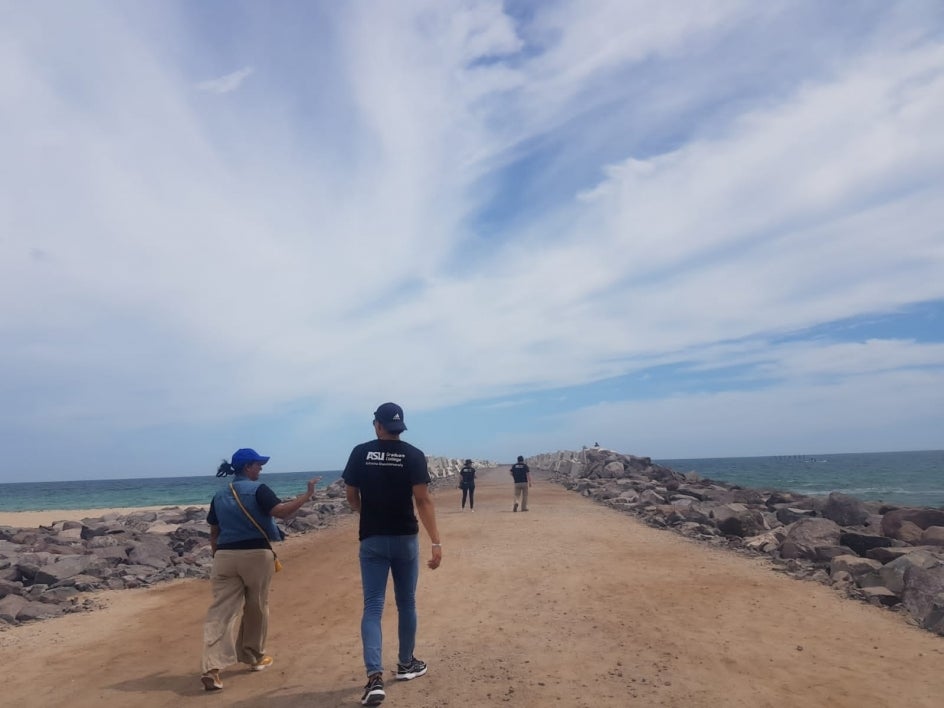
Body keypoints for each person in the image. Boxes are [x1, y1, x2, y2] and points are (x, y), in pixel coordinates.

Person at [343, 402, 442, 707]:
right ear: (400, 426)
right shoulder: (413, 455)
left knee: (373, 606)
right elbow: (423, 501)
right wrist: (436, 542)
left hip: (372, 538)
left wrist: (367, 512)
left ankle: (374, 678)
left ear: (378, 425)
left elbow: (351, 496)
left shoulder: (361, 452)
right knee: (406, 602)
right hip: (405, 539)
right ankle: (406, 663)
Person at [200, 448, 319, 692]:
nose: (261, 469)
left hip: (223, 556)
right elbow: (282, 513)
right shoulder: (258, 490)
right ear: (247, 467)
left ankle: (212, 667)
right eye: (258, 465)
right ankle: (253, 657)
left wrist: (218, 556)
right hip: (256, 555)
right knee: (256, 606)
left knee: (221, 612)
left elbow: (214, 531)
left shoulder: (220, 494)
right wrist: (307, 495)